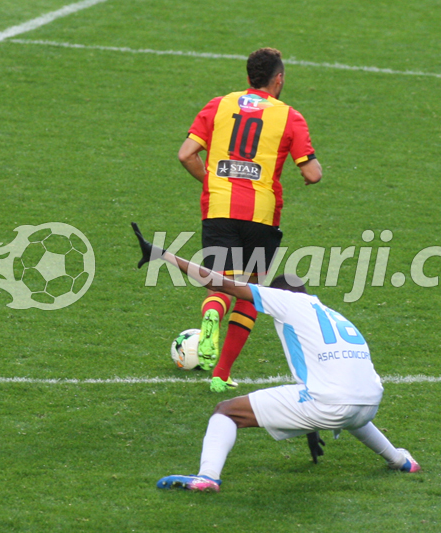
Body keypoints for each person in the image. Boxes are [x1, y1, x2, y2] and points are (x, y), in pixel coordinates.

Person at [131, 223, 421, 493]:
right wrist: (311, 424)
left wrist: (163, 254)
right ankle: (400, 460)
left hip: (332, 403)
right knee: (346, 405)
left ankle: (207, 477)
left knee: (226, 410)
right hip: (369, 403)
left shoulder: (285, 300)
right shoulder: (332, 314)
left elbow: (220, 283)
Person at [177, 47, 323, 393]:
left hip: (219, 208)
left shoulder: (219, 105)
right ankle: (221, 374)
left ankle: (212, 313)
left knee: (219, 283)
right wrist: (310, 170)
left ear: (248, 78)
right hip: (261, 215)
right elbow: (312, 173)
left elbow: (186, 154)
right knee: (250, 292)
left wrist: (212, 182)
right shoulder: (289, 116)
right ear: (278, 79)